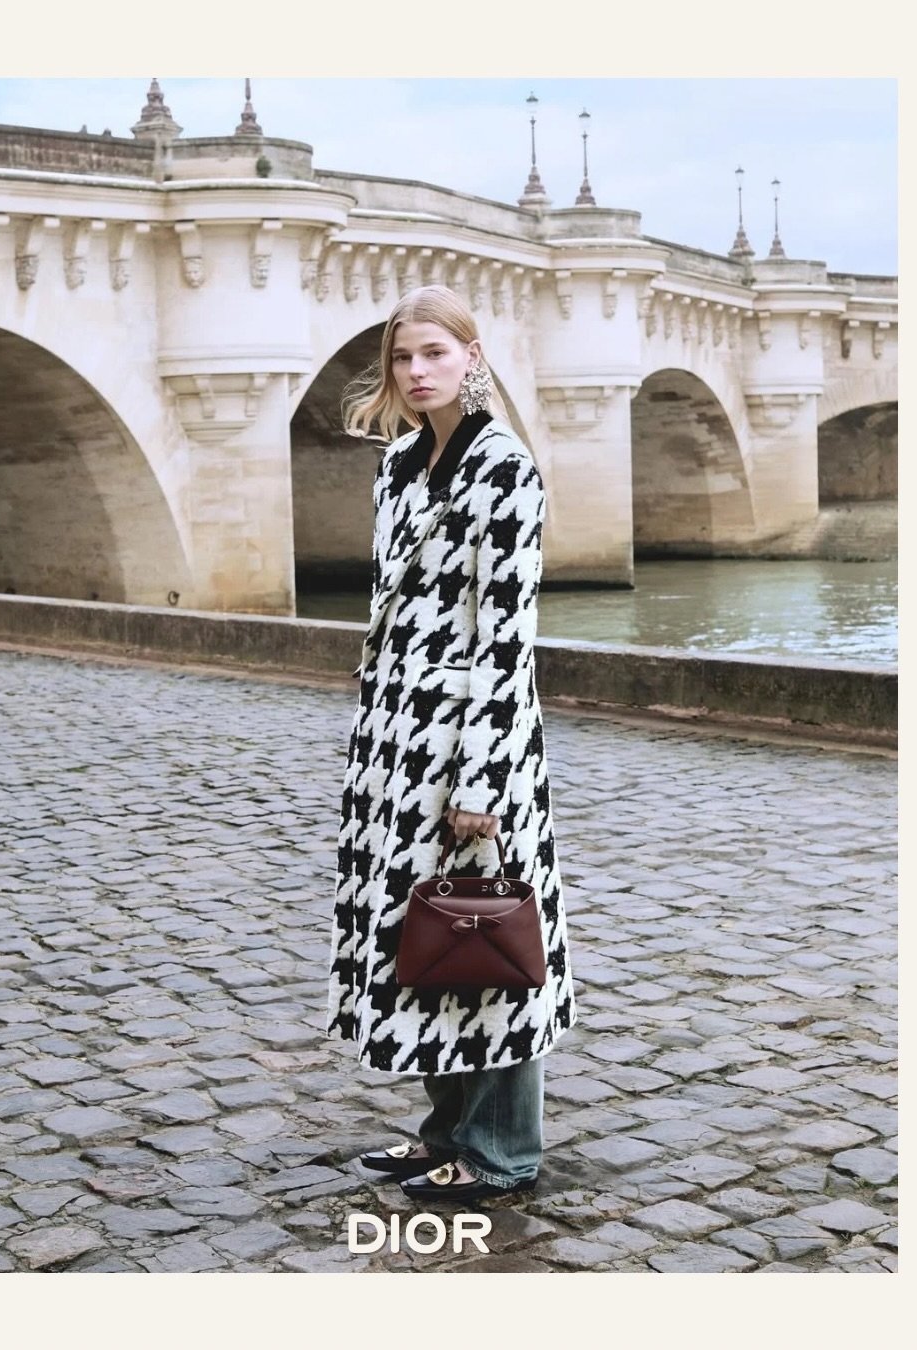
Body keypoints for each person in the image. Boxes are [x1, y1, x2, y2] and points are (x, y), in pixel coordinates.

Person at [326, 285, 576, 1201]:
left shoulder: (506, 469)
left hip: (474, 741)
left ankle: (502, 1150)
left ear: (473, 357)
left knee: (488, 938)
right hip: (397, 739)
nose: (416, 371)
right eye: (403, 357)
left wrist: (481, 779)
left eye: (435, 352)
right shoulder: (399, 463)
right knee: (422, 935)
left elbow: (504, 637)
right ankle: (444, 1132)